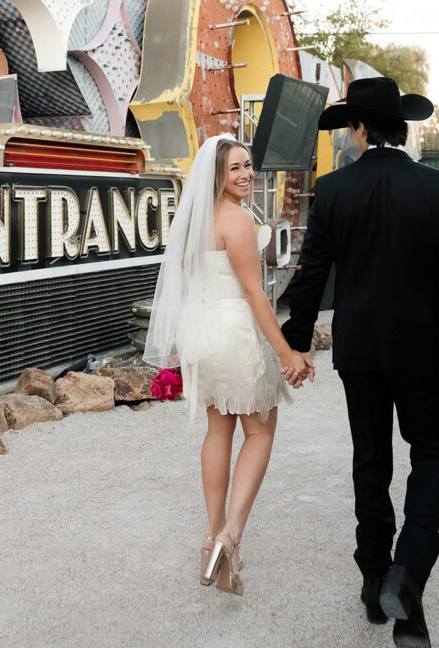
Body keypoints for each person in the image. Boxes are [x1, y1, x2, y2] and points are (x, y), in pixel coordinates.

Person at [281, 77, 439, 648]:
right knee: (434, 453)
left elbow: (311, 276)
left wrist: (295, 340)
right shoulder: (438, 187)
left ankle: (374, 582)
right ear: (400, 127)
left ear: (360, 129)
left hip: (360, 348)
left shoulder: (334, 189)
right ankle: (407, 577)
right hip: (424, 347)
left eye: (349, 127)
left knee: (371, 459)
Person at [144, 133, 314, 596]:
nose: (246, 174)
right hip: (234, 333)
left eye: (249, 165)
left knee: (218, 430)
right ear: (216, 174)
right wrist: (286, 353)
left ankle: (211, 535)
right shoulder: (236, 219)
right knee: (259, 432)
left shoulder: (194, 221)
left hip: (201, 336)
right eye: (235, 167)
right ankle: (230, 536)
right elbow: (254, 294)